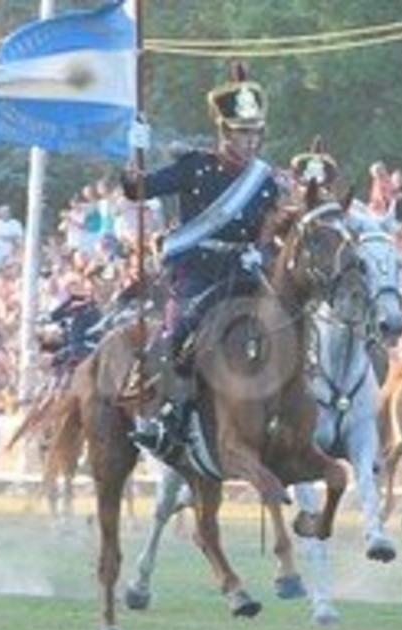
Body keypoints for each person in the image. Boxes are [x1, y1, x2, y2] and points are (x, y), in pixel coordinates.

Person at [121, 62, 281, 454]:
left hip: (243, 272)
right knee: (179, 332)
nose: (251, 141)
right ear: (224, 131)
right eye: (243, 133)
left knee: (289, 322)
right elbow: (138, 189)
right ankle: (164, 418)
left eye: (255, 133)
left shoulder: (264, 181)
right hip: (196, 271)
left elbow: (270, 231)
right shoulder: (194, 167)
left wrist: (261, 254)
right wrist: (134, 148)